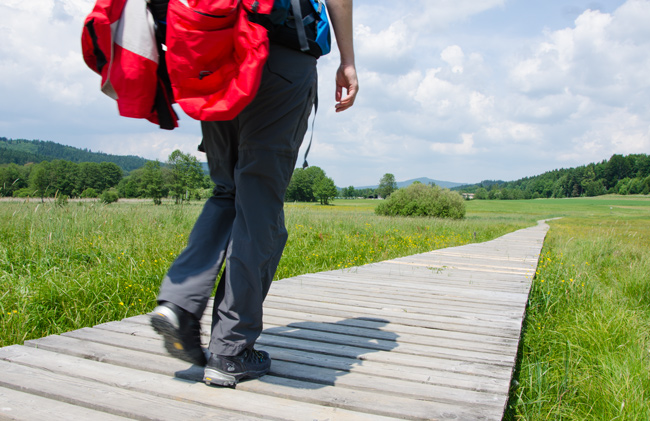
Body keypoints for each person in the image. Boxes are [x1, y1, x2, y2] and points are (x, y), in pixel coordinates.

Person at [150, 0, 358, 387]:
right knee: (258, 199)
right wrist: (347, 60)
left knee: (226, 191)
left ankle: (179, 303)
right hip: (279, 53)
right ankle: (230, 352)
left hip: (210, 51)